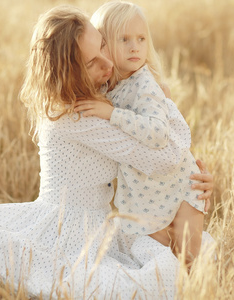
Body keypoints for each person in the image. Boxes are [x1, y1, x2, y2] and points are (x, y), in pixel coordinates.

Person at [0, 4, 214, 299]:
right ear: (70, 71)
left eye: (103, 46)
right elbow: (160, 159)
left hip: (100, 221)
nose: (108, 63)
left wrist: (192, 181)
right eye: (93, 60)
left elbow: (156, 154)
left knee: (174, 264)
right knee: (145, 283)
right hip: (69, 230)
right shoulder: (74, 116)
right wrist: (167, 105)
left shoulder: (98, 98)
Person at [74, 1, 207, 267]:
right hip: (147, 195)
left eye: (141, 38)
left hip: (181, 188)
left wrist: (112, 114)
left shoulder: (145, 85)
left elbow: (157, 133)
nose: (135, 46)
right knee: (166, 264)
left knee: (189, 261)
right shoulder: (111, 87)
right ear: (104, 46)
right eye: (124, 39)